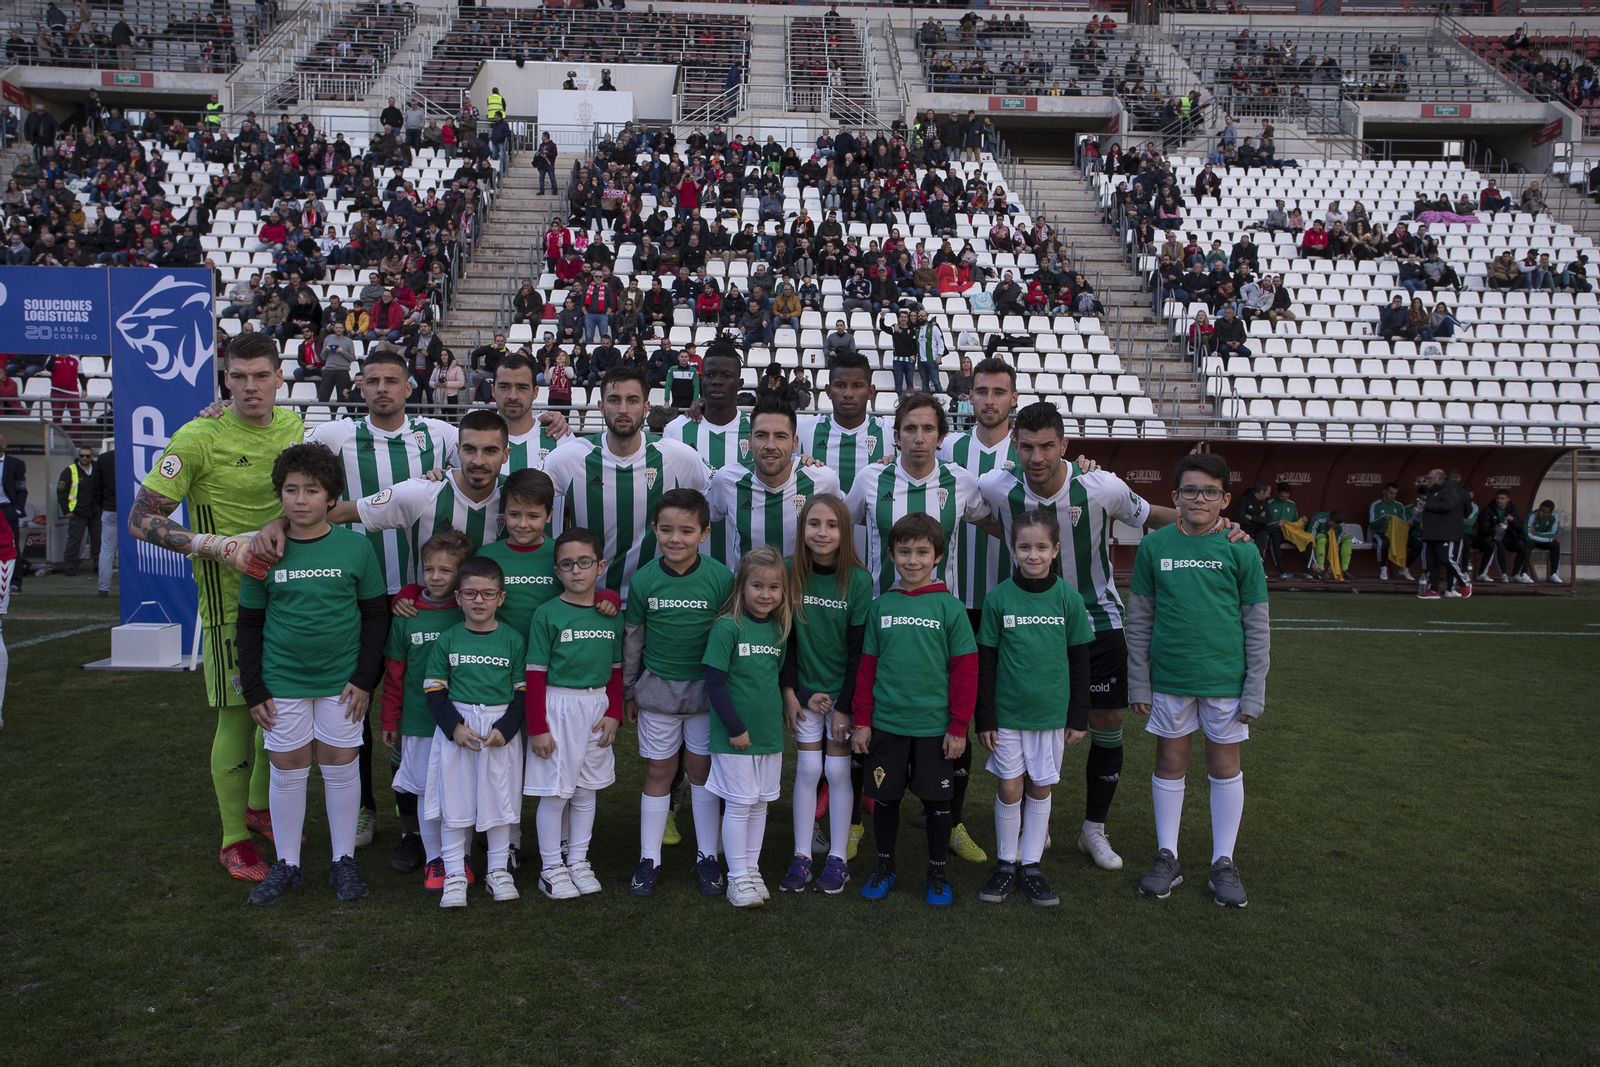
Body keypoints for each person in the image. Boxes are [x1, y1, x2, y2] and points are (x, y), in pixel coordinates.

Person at [975, 400, 1213, 875]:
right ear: (1014, 447)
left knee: (1104, 720)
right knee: (1023, 719)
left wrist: (1209, 523)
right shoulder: (996, 487)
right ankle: (1028, 823)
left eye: (1047, 446)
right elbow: (959, 506)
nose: (1037, 457)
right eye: (1027, 447)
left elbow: (1147, 515)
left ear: (1066, 445)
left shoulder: (1101, 486)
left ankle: (1092, 829)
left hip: (1098, 621)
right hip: (1028, 626)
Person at [130, 334, 306, 882]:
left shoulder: (295, 427)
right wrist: (216, 546)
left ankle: (258, 809)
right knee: (237, 713)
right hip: (229, 602)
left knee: (277, 711)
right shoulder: (199, 434)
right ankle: (233, 837)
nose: (250, 387)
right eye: (238, 377)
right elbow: (141, 517)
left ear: (280, 378)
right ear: (224, 381)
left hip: (293, 596)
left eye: (260, 376)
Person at [236, 443, 390, 905]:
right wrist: (254, 686)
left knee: (340, 765)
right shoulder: (264, 550)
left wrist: (365, 678)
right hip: (281, 681)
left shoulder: (356, 547)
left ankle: (344, 861)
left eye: (312, 490)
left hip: (343, 682)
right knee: (287, 767)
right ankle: (288, 865)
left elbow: (375, 617)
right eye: (291, 490)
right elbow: (249, 622)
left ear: (331, 496)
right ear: (279, 495)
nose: (300, 500)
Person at [1128, 452, 1270, 909]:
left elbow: (1257, 625)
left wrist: (1254, 688)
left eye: (1210, 491)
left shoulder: (1241, 547)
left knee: (1224, 767)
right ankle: (1167, 855)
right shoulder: (1154, 546)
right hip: (1170, 677)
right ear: (1175, 496)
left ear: (1226, 499)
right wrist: (1139, 682)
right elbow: (1140, 619)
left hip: (1225, 681)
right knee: (1170, 761)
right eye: (1189, 490)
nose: (1199, 498)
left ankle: (1223, 862)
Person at [850, 512, 978, 907]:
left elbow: (965, 674)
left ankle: (937, 874)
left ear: (938, 556)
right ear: (890, 554)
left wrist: (958, 727)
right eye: (904, 552)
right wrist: (862, 721)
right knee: (885, 799)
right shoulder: (881, 606)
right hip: (887, 726)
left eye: (922, 552)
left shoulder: (951, 609)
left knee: (938, 803)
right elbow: (866, 670)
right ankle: (885, 868)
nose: (912, 561)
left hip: (934, 728)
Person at [974, 509, 1093, 907]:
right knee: (1010, 788)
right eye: (1025, 547)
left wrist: (1078, 716)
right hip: (1007, 715)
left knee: (1040, 788)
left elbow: (1080, 661)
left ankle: (1032, 866)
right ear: (1013, 549)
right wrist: (985, 716)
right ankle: (1007, 863)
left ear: (1056, 550)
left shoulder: (1068, 598)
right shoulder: (999, 598)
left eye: (1042, 547)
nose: (1033, 555)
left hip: (1050, 716)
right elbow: (986, 661)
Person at [624, 488, 735, 898]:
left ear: (704, 533)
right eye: (667, 529)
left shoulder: (721, 578)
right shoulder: (645, 579)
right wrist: (630, 691)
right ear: (654, 530)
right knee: (659, 771)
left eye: (686, 531)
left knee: (701, 772)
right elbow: (634, 639)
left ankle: (708, 856)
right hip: (658, 696)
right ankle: (648, 857)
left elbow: (730, 639)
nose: (676, 539)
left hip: (706, 696)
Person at [545, 367, 711, 599]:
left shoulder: (677, 456)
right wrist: (535, 421)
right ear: (601, 407)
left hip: (655, 600)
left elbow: (719, 490)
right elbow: (522, 495)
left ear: (645, 408)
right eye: (614, 400)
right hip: (590, 600)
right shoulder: (570, 457)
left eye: (632, 400)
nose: (623, 409)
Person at [524, 528, 625, 900]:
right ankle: (551, 867)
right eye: (567, 564)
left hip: (596, 707)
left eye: (585, 562)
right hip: (558, 707)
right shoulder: (547, 614)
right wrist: (538, 726)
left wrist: (614, 711)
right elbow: (534, 673)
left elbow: (616, 669)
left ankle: (578, 859)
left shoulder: (610, 613)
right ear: (557, 570)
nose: (576, 571)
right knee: (556, 792)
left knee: (585, 789)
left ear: (600, 566)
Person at [423, 555, 529, 907]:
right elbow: (434, 689)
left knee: (499, 800)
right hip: (460, 730)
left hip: (499, 733)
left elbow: (523, 694)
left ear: (501, 597)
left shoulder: (513, 640)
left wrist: (507, 728)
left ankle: (497, 870)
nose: (479, 601)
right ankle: (454, 872)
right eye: (470, 594)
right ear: (458, 598)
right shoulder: (448, 639)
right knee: (455, 801)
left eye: (487, 594)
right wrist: (454, 727)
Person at [781, 493, 872, 893]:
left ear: (845, 531)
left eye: (832, 525)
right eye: (814, 524)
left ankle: (837, 858)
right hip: (805, 695)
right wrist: (797, 693)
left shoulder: (859, 580)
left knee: (836, 771)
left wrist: (844, 706)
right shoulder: (787, 573)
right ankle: (801, 856)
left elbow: (859, 653)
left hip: (840, 697)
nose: (822, 532)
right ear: (802, 530)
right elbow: (783, 643)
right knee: (807, 770)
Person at [378, 530, 471, 887]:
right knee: (411, 782)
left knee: (455, 783)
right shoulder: (408, 613)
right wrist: (390, 717)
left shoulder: (467, 611)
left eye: (445, 570)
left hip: (457, 721)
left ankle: (459, 849)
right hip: (415, 720)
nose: (434, 577)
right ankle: (411, 838)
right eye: (428, 569)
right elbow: (395, 673)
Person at [702, 545, 792, 907]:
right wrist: (735, 727)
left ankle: (751, 869)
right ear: (741, 586)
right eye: (757, 586)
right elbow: (714, 684)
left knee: (760, 804)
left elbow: (776, 678)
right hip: (734, 736)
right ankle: (737, 877)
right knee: (740, 804)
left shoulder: (779, 629)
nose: (765, 595)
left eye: (774, 588)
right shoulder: (727, 628)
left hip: (769, 735)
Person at [847, 393, 990, 598]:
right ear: (897, 436)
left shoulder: (961, 481)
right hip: (880, 609)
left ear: (941, 437)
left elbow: (991, 521)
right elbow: (844, 522)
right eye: (910, 429)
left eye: (928, 429)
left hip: (941, 614)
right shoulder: (869, 479)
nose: (919, 438)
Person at [707, 395, 841, 568]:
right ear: (749, 442)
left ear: (794, 444)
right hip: (746, 593)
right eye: (762, 435)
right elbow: (697, 519)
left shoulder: (823, 480)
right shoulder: (727, 481)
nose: (770, 445)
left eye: (780, 436)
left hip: (804, 593)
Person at [663, 343, 750, 567]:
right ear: (701, 380)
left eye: (726, 375)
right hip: (688, 567)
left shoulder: (756, 433)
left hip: (744, 568)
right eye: (710, 374)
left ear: (740, 384)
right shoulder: (675, 430)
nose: (717, 381)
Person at [1417, 468, 1470, 599]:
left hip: (1444, 533)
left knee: (1447, 559)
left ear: (1439, 479)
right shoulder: (1433, 491)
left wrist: (1427, 506)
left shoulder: (1450, 490)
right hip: (1431, 533)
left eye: (1430, 479)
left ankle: (1465, 582)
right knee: (1432, 562)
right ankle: (1434, 590)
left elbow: (1448, 506)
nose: (1427, 481)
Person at [56, 444, 96, 576]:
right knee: (74, 540)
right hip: (77, 512)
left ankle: (97, 565)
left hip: (95, 511)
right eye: (81, 456)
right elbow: (61, 492)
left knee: (98, 540)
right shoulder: (70, 471)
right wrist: (67, 510)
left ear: (92, 456)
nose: (84, 458)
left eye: (87, 456)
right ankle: (70, 565)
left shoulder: (97, 469)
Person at [1477, 490, 1526, 582]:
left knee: (1523, 547)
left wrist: (1513, 520)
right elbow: (1483, 528)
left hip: (1508, 536)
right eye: (1498, 498)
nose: (1499, 501)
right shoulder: (1488, 510)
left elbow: (1520, 527)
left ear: (1508, 499)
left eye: (1502, 499)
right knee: (1499, 545)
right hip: (1493, 537)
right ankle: (1503, 574)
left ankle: (1516, 574)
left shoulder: (1512, 510)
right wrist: (1494, 528)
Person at [1368, 482, 1413, 581]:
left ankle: (1405, 568)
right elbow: (1372, 524)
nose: (1393, 496)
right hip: (1380, 533)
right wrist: (1383, 518)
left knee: (1417, 544)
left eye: (1395, 494)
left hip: (1396, 535)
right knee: (1383, 542)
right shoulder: (1376, 505)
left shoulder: (1399, 506)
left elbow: (1403, 523)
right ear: (1384, 491)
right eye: (1390, 493)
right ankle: (1383, 568)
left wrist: (1408, 524)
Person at [88, 447, 116, 598]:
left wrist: (102, 505)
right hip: (132, 509)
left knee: (106, 550)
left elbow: (95, 486)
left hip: (110, 508)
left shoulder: (104, 459)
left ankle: (103, 588)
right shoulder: (133, 455)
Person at [0, 435, 25, 594]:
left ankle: (15, 582)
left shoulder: (15, 464)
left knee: (12, 545)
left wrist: (17, 510)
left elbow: (22, 488)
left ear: (4, 444)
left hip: (7, 508)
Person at [1265, 481, 1299, 579]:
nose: (1284, 499)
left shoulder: (1292, 504)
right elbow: (1263, 524)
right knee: (1275, 541)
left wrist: (1302, 521)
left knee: (1308, 540)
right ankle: (1282, 572)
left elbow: (1296, 522)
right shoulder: (1269, 504)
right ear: (1277, 493)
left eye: (1287, 497)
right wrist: (1276, 523)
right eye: (1282, 496)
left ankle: (1306, 572)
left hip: (1289, 532)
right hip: (1274, 532)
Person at [1523, 500, 1562, 583]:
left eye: (1544, 512)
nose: (1540, 513)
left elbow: (1554, 534)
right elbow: (1528, 536)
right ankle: (1523, 573)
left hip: (1542, 540)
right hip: (1532, 541)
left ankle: (1554, 574)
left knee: (1555, 545)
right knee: (1528, 544)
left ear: (1550, 513)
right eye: (1539, 510)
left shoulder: (1554, 516)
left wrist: (1536, 533)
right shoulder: (1531, 516)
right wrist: (1549, 538)